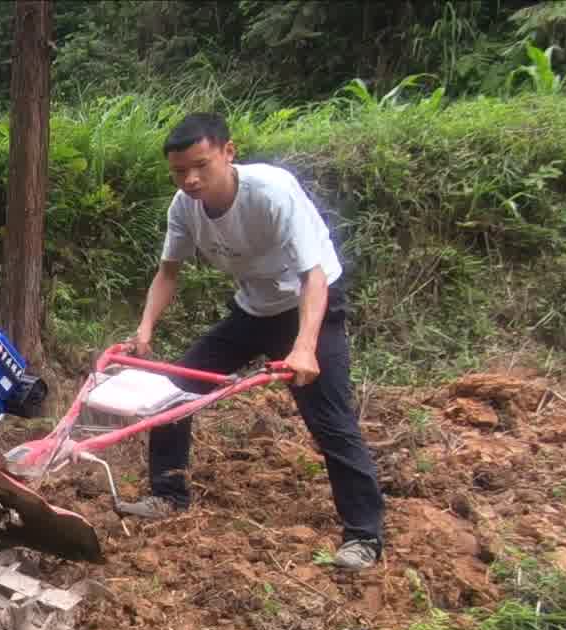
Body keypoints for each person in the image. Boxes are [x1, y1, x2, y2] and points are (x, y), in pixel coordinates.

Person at [116, 112, 385, 571]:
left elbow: (313, 276)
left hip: (308, 306)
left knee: (330, 420)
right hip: (252, 309)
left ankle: (364, 536)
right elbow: (168, 273)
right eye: (180, 172)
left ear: (228, 152)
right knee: (173, 393)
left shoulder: (271, 193)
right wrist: (143, 332)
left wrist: (304, 347)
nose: (191, 180)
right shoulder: (183, 208)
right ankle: (168, 494)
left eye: (201, 165)